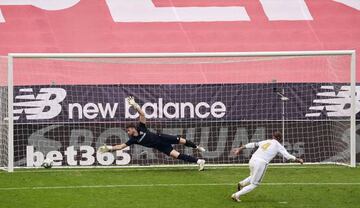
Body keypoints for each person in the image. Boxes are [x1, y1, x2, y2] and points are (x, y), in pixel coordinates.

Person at [99, 96, 206, 171]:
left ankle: (197, 147)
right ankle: (199, 161)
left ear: (132, 128)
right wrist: (109, 148)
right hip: (160, 146)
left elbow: (142, 114)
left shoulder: (141, 127)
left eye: (128, 130)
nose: (128, 132)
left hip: (162, 137)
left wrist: (135, 105)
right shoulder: (133, 140)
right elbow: (121, 146)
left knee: (181, 140)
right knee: (177, 155)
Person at [230, 131, 304, 202]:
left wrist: (240, 149)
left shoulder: (266, 141)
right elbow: (287, 156)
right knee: (255, 184)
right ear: (280, 139)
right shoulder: (278, 145)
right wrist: (298, 159)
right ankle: (236, 195)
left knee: (253, 175)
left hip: (252, 160)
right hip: (261, 163)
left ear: (273, 136)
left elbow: (253, 144)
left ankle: (241, 183)